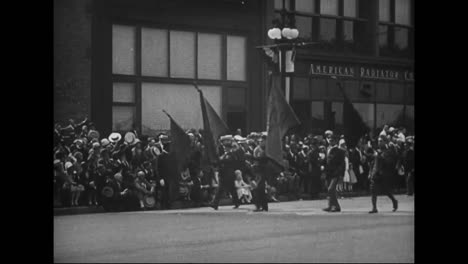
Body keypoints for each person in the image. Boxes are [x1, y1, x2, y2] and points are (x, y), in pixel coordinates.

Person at [368, 135, 399, 214]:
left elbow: (389, 162)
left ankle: (394, 201)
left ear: (385, 142)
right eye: (378, 141)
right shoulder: (378, 151)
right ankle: (374, 208)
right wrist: (370, 172)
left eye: (381, 141)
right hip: (375, 173)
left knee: (386, 191)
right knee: (373, 190)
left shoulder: (388, 151)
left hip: (383, 174)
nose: (379, 142)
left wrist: (380, 156)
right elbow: (372, 163)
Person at [323, 135, 346, 213]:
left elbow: (342, 164)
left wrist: (341, 174)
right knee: (329, 190)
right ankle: (330, 205)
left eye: (332, 140)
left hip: (335, 173)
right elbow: (326, 161)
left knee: (331, 189)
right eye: (329, 139)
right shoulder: (327, 149)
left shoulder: (340, 151)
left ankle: (336, 206)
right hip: (328, 172)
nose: (330, 141)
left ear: (336, 141)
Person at [252, 134, 269, 212]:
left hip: (264, 170)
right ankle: (259, 206)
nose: (261, 142)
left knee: (261, 189)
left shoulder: (267, 150)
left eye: (263, 141)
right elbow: (256, 161)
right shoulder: (257, 150)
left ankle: (263, 206)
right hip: (258, 171)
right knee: (258, 189)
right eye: (261, 141)